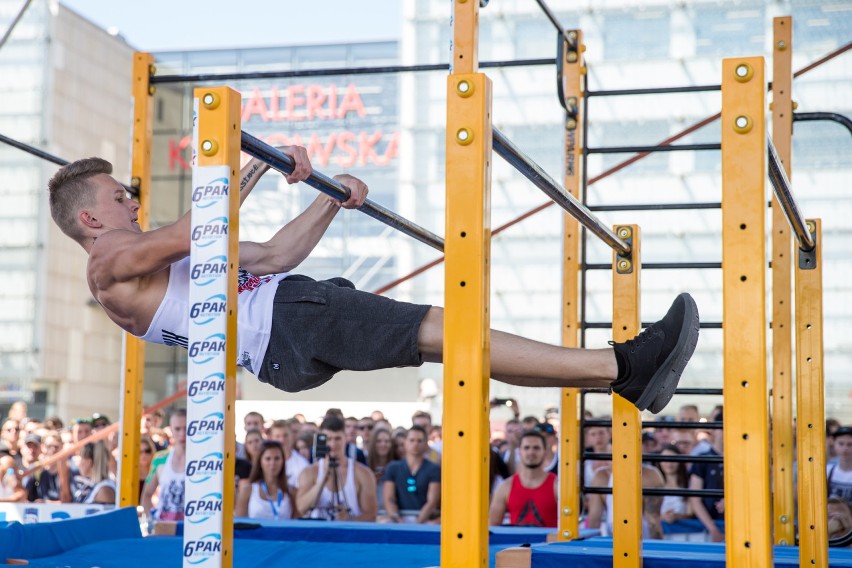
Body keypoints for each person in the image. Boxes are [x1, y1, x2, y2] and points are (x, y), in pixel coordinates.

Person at [47, 156, 700, 418]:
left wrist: (333, 201)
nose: (131, 198)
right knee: (445, 329)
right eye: (118, 194)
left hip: (284, 336)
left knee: (450, 341)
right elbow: (202, 223)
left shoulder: (152, 260)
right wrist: (262, 160)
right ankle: (622, 365)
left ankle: (615, 375)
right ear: (89, 217)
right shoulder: (110, 263)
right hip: (288, 325)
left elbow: (274, 253)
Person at [296, 416, 377, 521]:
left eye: (337, 438)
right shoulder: (310, 472)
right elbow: (301, 508)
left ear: (345, 438)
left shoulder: (362, 473)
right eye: (328, 439)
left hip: (348, 534)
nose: (333, 444)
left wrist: (348, 521)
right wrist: (322, 479)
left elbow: (371, 514)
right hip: (318, 534)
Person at [489, 430, 557, 527]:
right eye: (526, 448)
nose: (531, 452)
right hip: (516, 542)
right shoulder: (505, 487)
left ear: (545, 452)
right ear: (520, 452)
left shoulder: (557, 485)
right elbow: (493, 527)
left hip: (549, 542)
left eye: (536, 448)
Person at [586, 462, 665, 539]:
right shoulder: (602, 476)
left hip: (643, 542)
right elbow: (594, 520)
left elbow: (653, 521)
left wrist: (657, 549)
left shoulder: (650, 476)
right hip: (614, 540)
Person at [382, 425, 441, 524]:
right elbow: (389, 498)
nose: (415, 444)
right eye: (412, 440)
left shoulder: (434, 469)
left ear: (426, 443)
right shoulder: (393, 467)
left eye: (419, 441)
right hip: (399, 518)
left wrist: (418, 523)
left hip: (426, 519)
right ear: (405, 442)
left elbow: (432, 501)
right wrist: (397, 519)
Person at [142, 409, 186, 521]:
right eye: (177, 429)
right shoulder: (160, 458)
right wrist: (153, 521)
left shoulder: (202, 460)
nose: (182, 433)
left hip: (191, 525)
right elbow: (146, 495)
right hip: (164, 524)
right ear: (171, 430)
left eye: (186, 428)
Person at [688, 408, 724, 542]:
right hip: (705, 530)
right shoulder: (701, 459)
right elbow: (694, 499)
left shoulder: (742, 461)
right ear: (714, 430)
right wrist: (713, 529)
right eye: (723, 428)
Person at [235, 440, 295, 520]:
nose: (272, 463)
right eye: (268, 459)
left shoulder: (291, 491)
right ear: (260, 462)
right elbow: (240, 526)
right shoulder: (248, 490)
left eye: (277, 458)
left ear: (283, 461)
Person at [267, 420, 310, 492]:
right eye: (277, 436)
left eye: (285, 435)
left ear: (292, 436)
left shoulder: (302, 464)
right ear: (271, 438)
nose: (282, 440)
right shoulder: (264, 461)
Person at [657, 443, 692, 525]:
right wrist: (662, 517)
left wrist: (676, 517)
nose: (669, 464)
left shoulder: (688, 483)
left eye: (673, 459)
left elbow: (690, 513)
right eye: (665, 459)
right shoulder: (653, 485)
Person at [828, 426, 852, 506]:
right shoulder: (826, 471)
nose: (845, 449)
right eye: (841, 444)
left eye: (850, 444)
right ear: (833, 443)